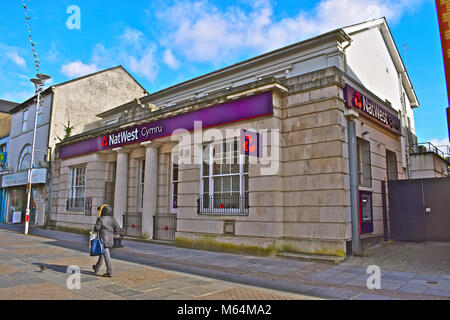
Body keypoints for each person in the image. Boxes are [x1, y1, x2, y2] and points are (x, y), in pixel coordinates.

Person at [92, 205, 123, 277]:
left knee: (106, 255)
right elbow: (117, 228)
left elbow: (97, 228)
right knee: (102, 254)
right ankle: (96, 268)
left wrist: (96, 227)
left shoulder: (100, 218)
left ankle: (110, 272)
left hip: (103, 240)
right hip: (110, 240)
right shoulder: (112, 219)